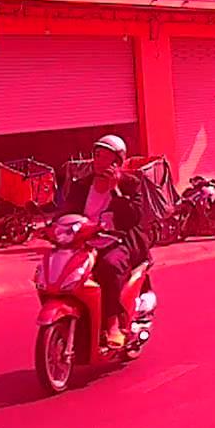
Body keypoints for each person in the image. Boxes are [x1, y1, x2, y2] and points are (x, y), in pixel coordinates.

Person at [59, 134, 149, 348]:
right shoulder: (82, 184)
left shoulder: (131, 184)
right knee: (61, 266)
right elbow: (67, 212)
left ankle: (113, 324)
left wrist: (115, 189)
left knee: (109, 266)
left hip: (118, 241)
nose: (98, 160)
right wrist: (53, 227)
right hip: (84, 241)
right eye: (97, 155)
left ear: (117, 161)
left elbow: (133, 217)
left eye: (104, 157)